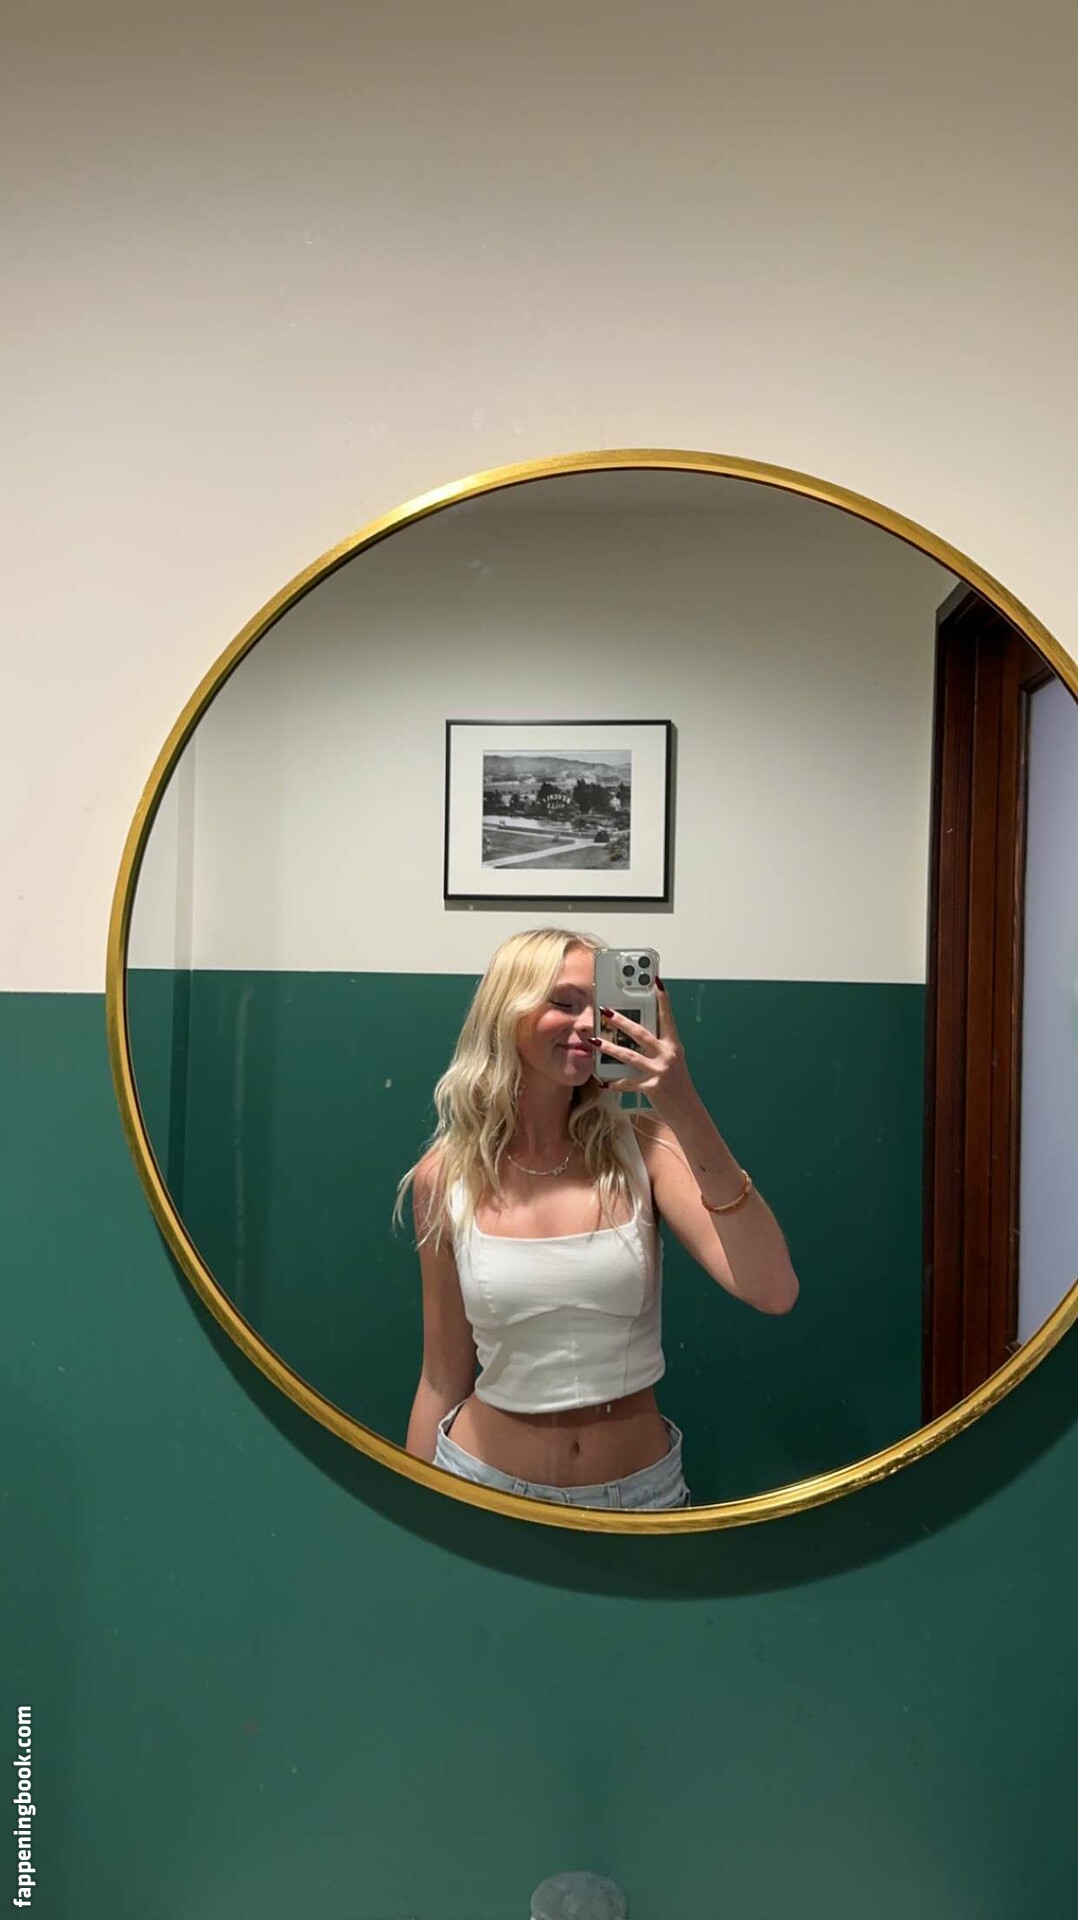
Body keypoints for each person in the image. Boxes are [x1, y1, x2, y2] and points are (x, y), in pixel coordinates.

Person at [395, 927, 799, 1510]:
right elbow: (440, 1378)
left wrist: (680, 1100)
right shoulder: (446, 1176)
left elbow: (773, 1289)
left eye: (601, 1006)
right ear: (506, 1013)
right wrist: (414, 1517)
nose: (588, 1024)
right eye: (563, 1003)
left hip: (637, 1498)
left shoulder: (645, 1147)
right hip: (483, 1488)